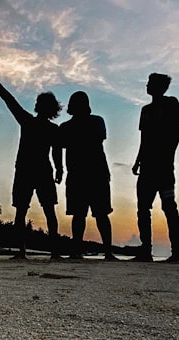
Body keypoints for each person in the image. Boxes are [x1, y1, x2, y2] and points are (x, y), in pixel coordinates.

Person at [0, 65, 63, 259]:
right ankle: (38, 251)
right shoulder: (36, 123)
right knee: (33, 211)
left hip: (35, 171)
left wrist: (60, 169)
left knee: (33, 211)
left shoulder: (36, 124)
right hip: (33, 170)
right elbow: (9, 100)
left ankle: (29, 251)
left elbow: (57, 150)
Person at [131, 73, 179, 263]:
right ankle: (146, 249)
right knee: (143, 208)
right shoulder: (145, 110)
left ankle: (175, 252)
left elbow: (177, 132)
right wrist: (138, 160)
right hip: (147, 167)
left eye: (150, 83)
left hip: (163, 167)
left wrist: (168, 155)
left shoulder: (171, 103)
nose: (147, 85)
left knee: (169, 206)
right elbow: (144, 138)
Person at [59, 91, 116, 260]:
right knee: (81, 215)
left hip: (95, 173)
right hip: (81, 174)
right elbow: (62, 144)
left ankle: (106, 251)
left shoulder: (95, 121)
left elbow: (98, 138)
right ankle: (81, 250)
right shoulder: (68, 126)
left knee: (99, 214)